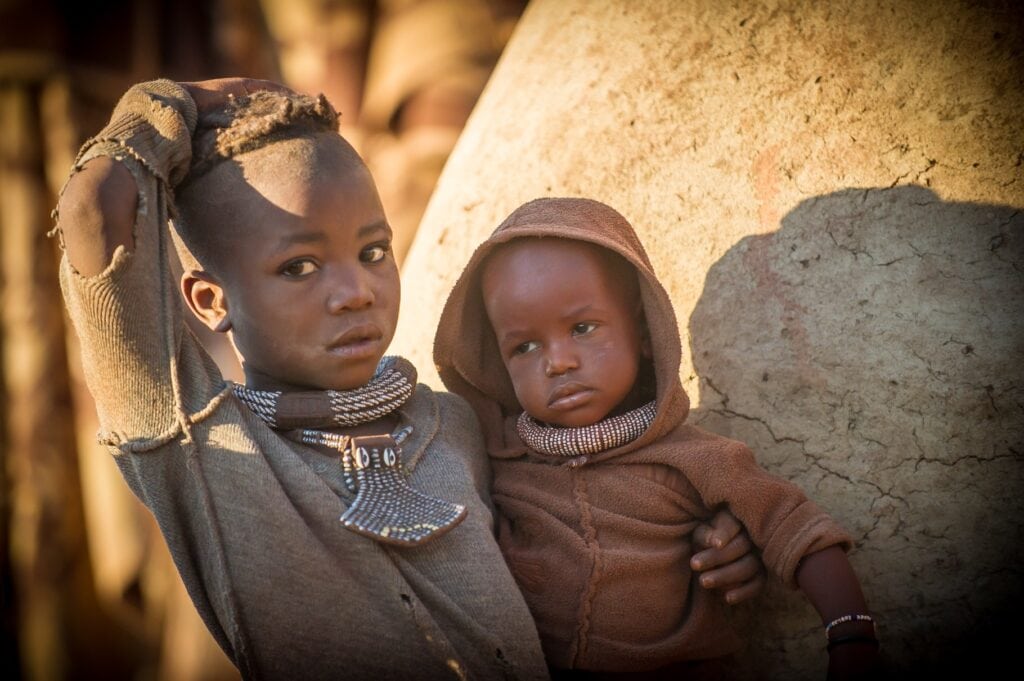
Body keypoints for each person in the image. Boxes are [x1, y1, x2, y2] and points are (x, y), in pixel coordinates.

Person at [52, 79, 764, 680]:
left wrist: (705, 541)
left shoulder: (459, 422)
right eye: (299, 267)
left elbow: (589, 516)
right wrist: (173, 100)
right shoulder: (203, 448)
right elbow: (92, 212)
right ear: (211, 301)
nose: (355, 292)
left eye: (372, 252)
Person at [433, 197, 881, 680]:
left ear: (645, 332)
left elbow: (795, 528)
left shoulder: (696, 459)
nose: (557, 362)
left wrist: (851, 636)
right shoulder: (496, 458)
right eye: (524, 346)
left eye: (583, 328)